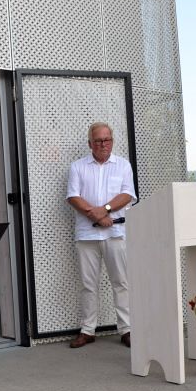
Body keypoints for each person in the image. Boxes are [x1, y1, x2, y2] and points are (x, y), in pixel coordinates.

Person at [66, 122, 136, 349]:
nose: (103, 144)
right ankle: (88, 330)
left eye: (107, 139)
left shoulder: (123, 165)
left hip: (115, 232)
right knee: (88, 284)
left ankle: (127, 329)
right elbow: (73, 196)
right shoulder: (78, 167)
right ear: (90, 144)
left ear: (112, 141)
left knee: (121, 282)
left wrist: (104, 210)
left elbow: (127, 194)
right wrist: (95, 216)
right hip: (87, 235)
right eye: (98, 140)